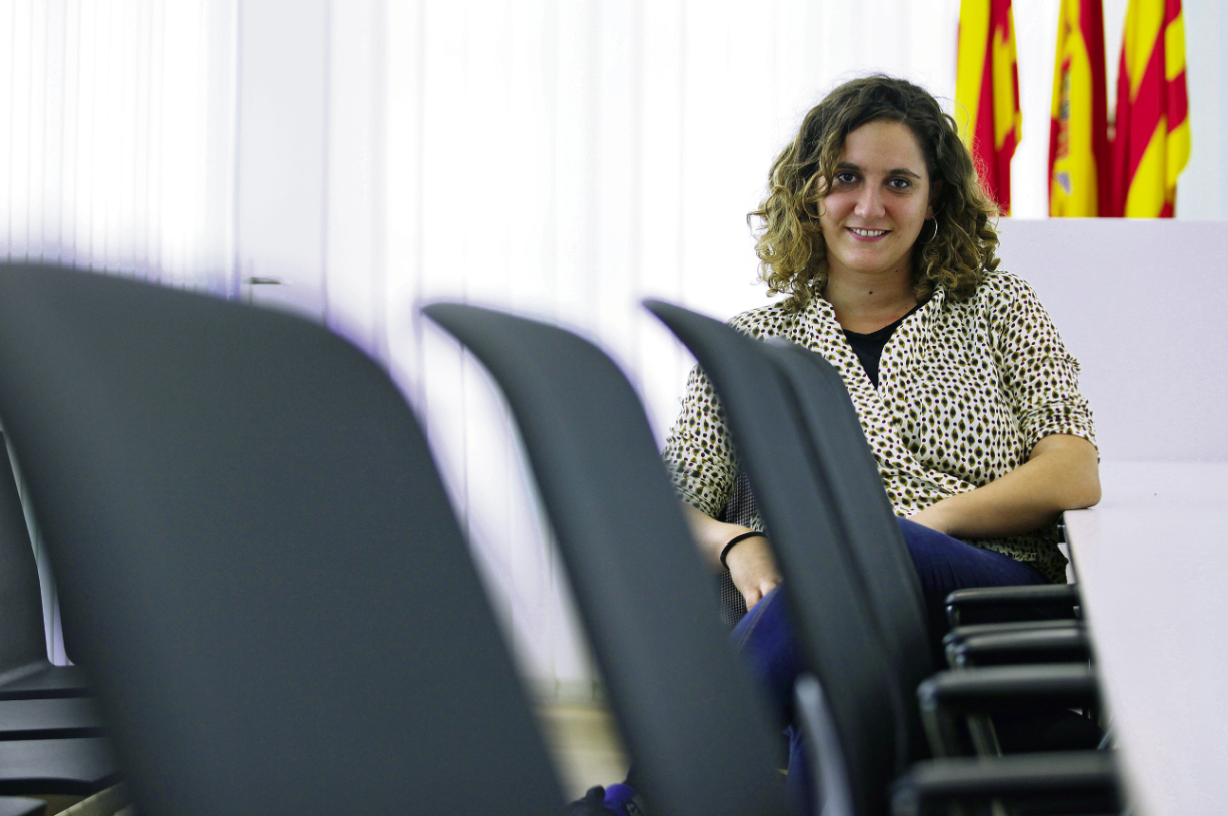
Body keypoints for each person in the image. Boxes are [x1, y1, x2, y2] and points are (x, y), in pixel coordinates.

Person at [572, 74, 1099, 816]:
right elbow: (667, 502)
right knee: (837, 668)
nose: (870, 205)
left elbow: (1073, 472)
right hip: (840, 612)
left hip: (991, 598)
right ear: (810, 194)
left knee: (847, 556)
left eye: (900, 183)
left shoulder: (997, 306)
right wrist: (737, 544)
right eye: (846, 178)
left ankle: (638, 799)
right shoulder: (756, 341)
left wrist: (927, 527)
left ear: (935, 199)